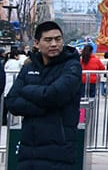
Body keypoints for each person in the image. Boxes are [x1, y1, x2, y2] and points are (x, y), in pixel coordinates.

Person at [5, 21, 82, 170]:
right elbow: (12, 102)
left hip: (59, 150)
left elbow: (53, 96)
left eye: (58, 39)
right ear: (36, 43)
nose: (54, 44)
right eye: (48, 40)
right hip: (28, 150)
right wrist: (46, 107)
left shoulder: (72, 67)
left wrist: (27, 90)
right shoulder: (29, 67)